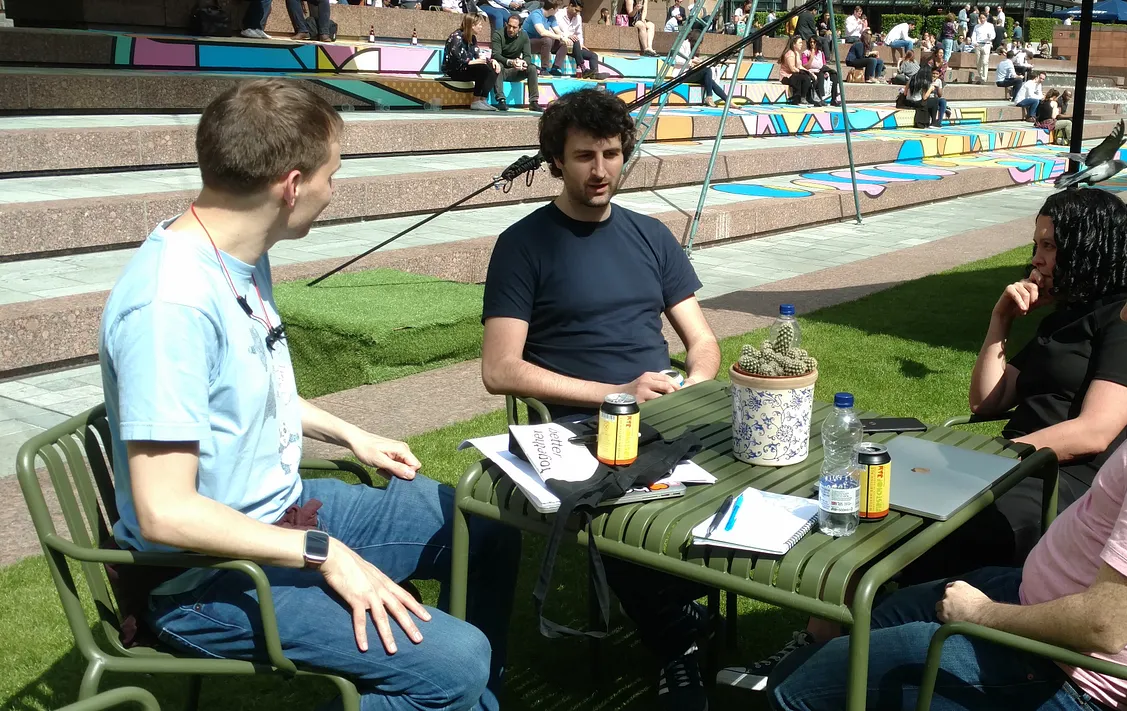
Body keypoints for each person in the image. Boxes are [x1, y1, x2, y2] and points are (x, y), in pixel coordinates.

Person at [768, 214, 1127, 711]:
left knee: (799, 695)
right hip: (1041, 600)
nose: (1126, 312)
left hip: (1064, 670)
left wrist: (982, 616)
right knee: (879, 616)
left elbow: (1106, 625)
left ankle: (789, 683)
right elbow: (988, 401)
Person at [100, 78, 522, 711]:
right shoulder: (170, 305)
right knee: (454, 665)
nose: (334, 190)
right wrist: (324, 554)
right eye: (333, 174)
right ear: (291, 186)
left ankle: (471, 698)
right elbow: (166, 512)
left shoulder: (235, 252)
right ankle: (455, 694)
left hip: (280, 511)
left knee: (486, 525)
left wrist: (351, 434)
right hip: (200, 579)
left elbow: (239, 392)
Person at [480, 88, 721, 711]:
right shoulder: (523, 244)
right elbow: (500, 369)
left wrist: (694, 380)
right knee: (621, 516)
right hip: (578, 425)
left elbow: (702, 342)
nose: (601, 170)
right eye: (584, 156)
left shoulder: (651, 236)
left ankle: (699, 614)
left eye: (612, 154)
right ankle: (679, 643)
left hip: (665, 414)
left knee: (756, 480)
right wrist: (616, 393)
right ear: (555, 161)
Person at [444, 12, 502, 111]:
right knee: (482, 68)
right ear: (472, 25)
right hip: (455, 70)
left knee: (493, 68)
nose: (481, 27)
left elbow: (478, 54)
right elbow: (457, 60)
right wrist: (475, 62)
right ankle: (475, 101)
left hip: (467, 68)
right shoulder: (456, 37)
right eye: (479, 24)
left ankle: (483, 100)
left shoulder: (472, 38)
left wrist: (492, 61)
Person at [492, 15, 543, 112]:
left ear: (520, 28)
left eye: (514, 27)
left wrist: (523, 63)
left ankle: (534, 102)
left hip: (515, 70)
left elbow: (527, 56)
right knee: (498, 65)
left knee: (531, 68)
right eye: (509, 26)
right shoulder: (498, 34)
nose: (510, 29)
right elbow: (496, 55)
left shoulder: (524, 36)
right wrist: (511, 62)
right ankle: (501, 100)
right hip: (502, 68)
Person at [677, 28, 729, 106]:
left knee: (710, 81)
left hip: (688, 72)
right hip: (681, 74)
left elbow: (690, 58)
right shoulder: (684, 44)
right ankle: (709, 97)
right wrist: (692, 61)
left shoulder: (692, 47)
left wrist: (698, 60)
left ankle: (727, 100)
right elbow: (678, 60)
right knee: (707, 70)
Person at [550, 0, 600, 78]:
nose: (576, 13)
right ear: (570, 5)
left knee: (593, 55)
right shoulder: (559, 14)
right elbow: (557, 30)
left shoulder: (578, 17)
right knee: (575, 41)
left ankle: (595, 74)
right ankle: (582, 68)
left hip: (572, 46)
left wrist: (581, 44)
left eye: (579, 11)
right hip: (558, 44)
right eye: (576, 10)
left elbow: (579, 33)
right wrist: (569, 36)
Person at [525, 1, 570, 71]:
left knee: (563, 44)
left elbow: (558, 31)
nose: (558, 11)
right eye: (557, 9)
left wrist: (565, 38)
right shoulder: (536, 14)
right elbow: (542, 32)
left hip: (541, 43)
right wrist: (559, 37)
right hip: (527, 43)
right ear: (552, 9)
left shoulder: (551, 17)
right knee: (547, 40)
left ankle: (556, 68)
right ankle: (544, 68)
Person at [899, 64, 947, 128]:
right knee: (935, 101)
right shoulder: (925, 81)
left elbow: (905, 92)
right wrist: (931, 89)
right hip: (918, 103)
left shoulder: (912, 77)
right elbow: (924, 97)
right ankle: (934, 122)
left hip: (908, 102)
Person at [780, 35, 819, 105]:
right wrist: (803, 72)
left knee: (808, 76)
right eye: (800, 43)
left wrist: (809, 72)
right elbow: (792, 69)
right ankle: (802, 97)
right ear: (794, 44)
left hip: (794, 74)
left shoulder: (797, 53)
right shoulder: (790, 54)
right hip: (786, 76)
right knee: (804, 77)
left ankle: (810, 97)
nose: (802, 44)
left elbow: (799, 66)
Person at [971, 12, 995, 83]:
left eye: (983, 18)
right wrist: (974, 42)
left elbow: (993, 35)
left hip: (986, 45)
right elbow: (974, 35)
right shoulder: (976, 26)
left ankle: (984, 77)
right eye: (981, 18)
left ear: (986, 18)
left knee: (985, 61)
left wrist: (990, 37)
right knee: (978, 62)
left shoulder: (990, 26)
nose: (982, 19)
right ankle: (981, 75)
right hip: (978, 45)